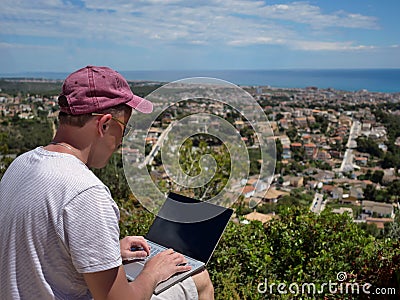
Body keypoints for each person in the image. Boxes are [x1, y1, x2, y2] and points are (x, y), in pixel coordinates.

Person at [0, 66, 214, 300]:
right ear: (104, 125)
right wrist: (153, 272)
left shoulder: (20, 165)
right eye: (123, 129)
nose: (121, 142)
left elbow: (41, 252)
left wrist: (106, 254)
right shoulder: (86, 192)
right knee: (199, 279)